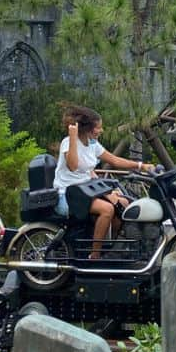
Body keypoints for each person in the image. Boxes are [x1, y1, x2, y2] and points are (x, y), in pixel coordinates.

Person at [54, 105, 154, 258]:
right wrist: (73, 137)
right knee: (107, 209)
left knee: (123, 203)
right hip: (67, 194)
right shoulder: (68, 142)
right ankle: (95, 255)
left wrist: (141, 166)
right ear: (87, 129)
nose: (101, 130)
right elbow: (73, 166)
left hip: (86, 191)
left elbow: (114, 160)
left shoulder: (92, 144)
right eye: (98, 128)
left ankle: (110, 246)